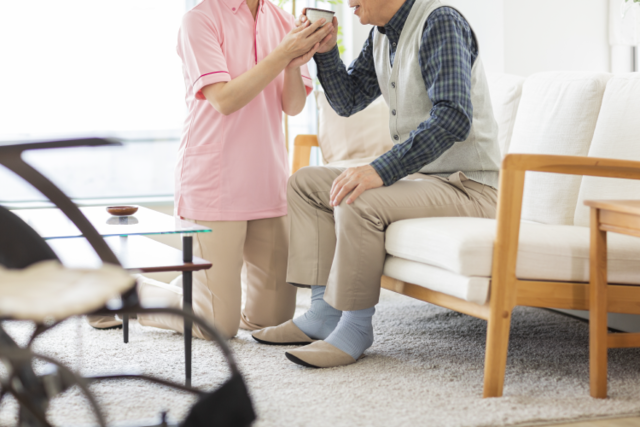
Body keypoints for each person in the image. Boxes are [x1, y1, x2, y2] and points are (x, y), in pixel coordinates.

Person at [251, 0, 501, 367]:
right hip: (425, 180)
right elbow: (349, 100)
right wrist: (326, 52)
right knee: (306, 184)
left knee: (359, 195)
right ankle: (322, 314)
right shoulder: (382, 35)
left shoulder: (440, 22)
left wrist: (379, 170)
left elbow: (453, 117)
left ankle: (355, 328)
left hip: (470, 188)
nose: (348, 1)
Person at [130, 0, 334, 339]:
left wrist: (294, 61)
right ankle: (134, 293)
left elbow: (293, 106)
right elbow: (224, 100)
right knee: (215, 327)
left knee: (270, 320)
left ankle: (199, 285)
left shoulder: (283, 21)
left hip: (267, 182)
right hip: (215, 182)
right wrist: (282, 55)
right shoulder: (200, 20)